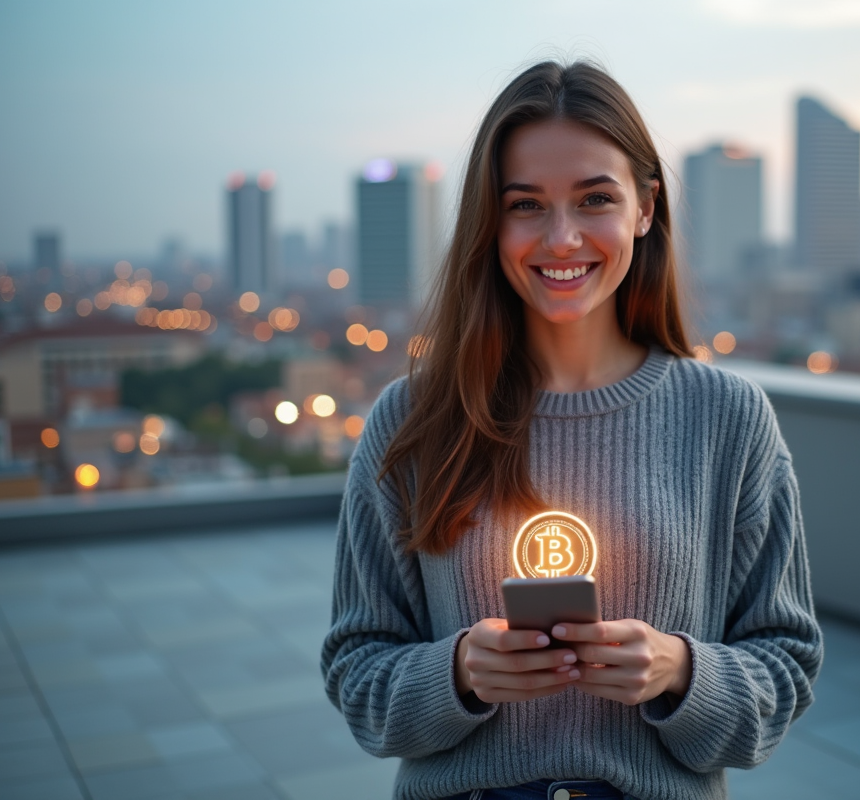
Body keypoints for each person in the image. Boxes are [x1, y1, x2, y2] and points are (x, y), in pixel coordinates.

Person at [321, 60, 822, 800]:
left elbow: (784, 665)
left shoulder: (729, 420)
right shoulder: (413, 420)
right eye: (526, 205)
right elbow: (356, 672)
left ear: (646, 207)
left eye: (594, 199)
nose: (561, 239)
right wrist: (455, 673)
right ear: (491, 222)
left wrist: (681, 673)